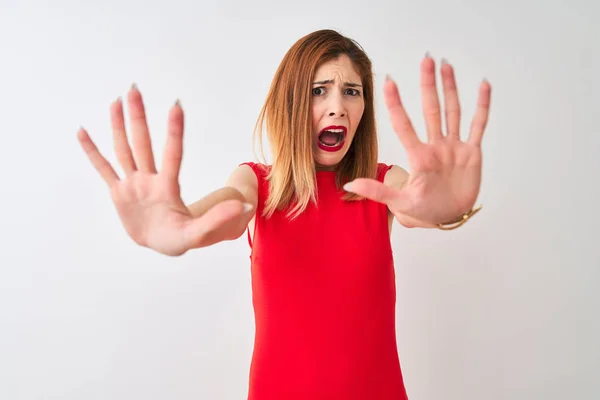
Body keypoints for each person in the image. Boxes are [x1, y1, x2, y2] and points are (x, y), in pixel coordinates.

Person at [77, 29, 491, 400]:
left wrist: (448, 209)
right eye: (319, 90)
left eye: (351, 91)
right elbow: (226, 211)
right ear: (290, 101)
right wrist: (182, 226)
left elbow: (418, 204)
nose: (338, 107)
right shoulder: (255, 182)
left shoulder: (381, 184)